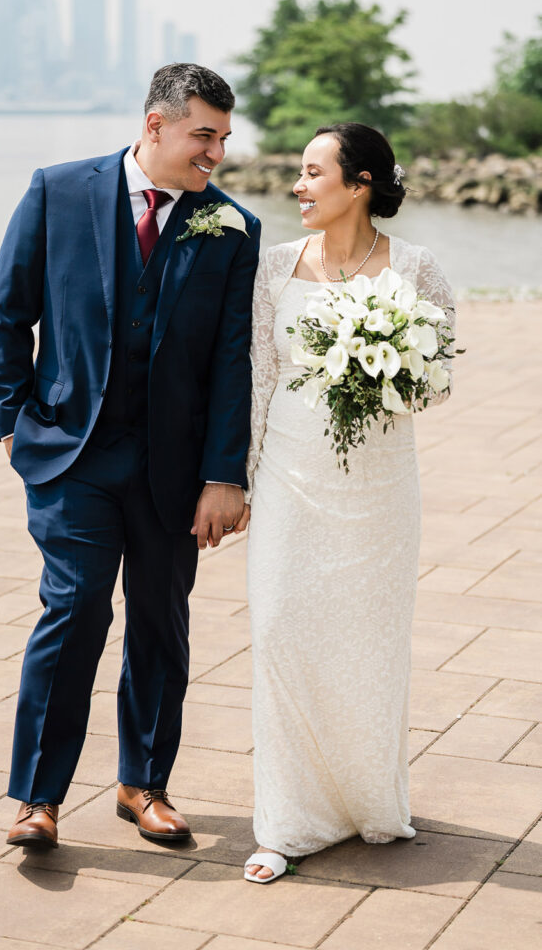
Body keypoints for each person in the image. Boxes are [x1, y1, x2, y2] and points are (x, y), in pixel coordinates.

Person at [0, 63, 260, 849]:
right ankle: (38, 797)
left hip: (175, 471)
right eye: (203, 135)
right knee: (73, 614)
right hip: (71, 456)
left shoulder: (232, 226)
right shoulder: (57, 190)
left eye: (223, 139)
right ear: (155, 125)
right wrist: (9, 419)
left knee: (160, 626)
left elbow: (232, 361)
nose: (215, 154)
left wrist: (224, 474)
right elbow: (10, 313)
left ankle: (143, 785)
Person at [242, 123, 455, 883]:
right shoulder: (272, 269)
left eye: (311, 172)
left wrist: (390, 367)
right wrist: (241, 478)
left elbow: (439, 380)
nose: (297, 186)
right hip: (290, 479)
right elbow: (258, 377)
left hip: (379, 487)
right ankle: (287, 821)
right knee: (278, 630)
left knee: (368, 641)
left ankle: (367, 801)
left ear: (359, 182)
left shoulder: (418, 270)